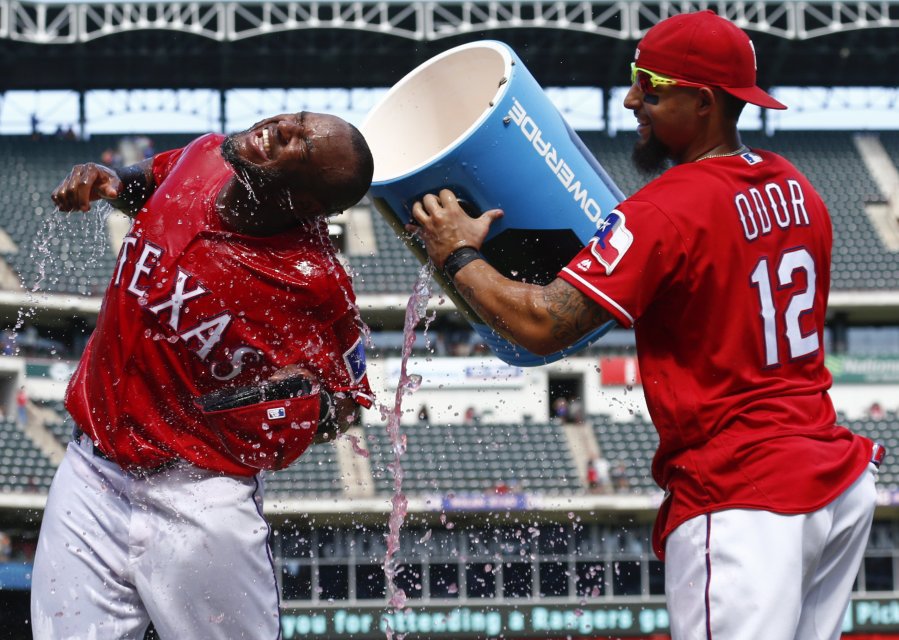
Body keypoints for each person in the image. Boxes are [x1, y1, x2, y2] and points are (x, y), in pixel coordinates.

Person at [408, 11, 881, 639]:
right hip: (832, 477)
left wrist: (456, 252)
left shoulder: (665, 208)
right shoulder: (799, 187)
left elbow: (544, 324)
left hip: (745, 491)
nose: (632, 99)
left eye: (649, 86)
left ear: (705, 101)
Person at [32, 111, 375, 639]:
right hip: (90, 471)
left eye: (301, 145)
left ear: (304, 204)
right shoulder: (204, 155)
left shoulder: (315, 284)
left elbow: (347, 402)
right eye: (298, 119)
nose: (285, 126)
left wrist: (303, 407)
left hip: (200, 494)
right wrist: (112, 182)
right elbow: (147, 182)